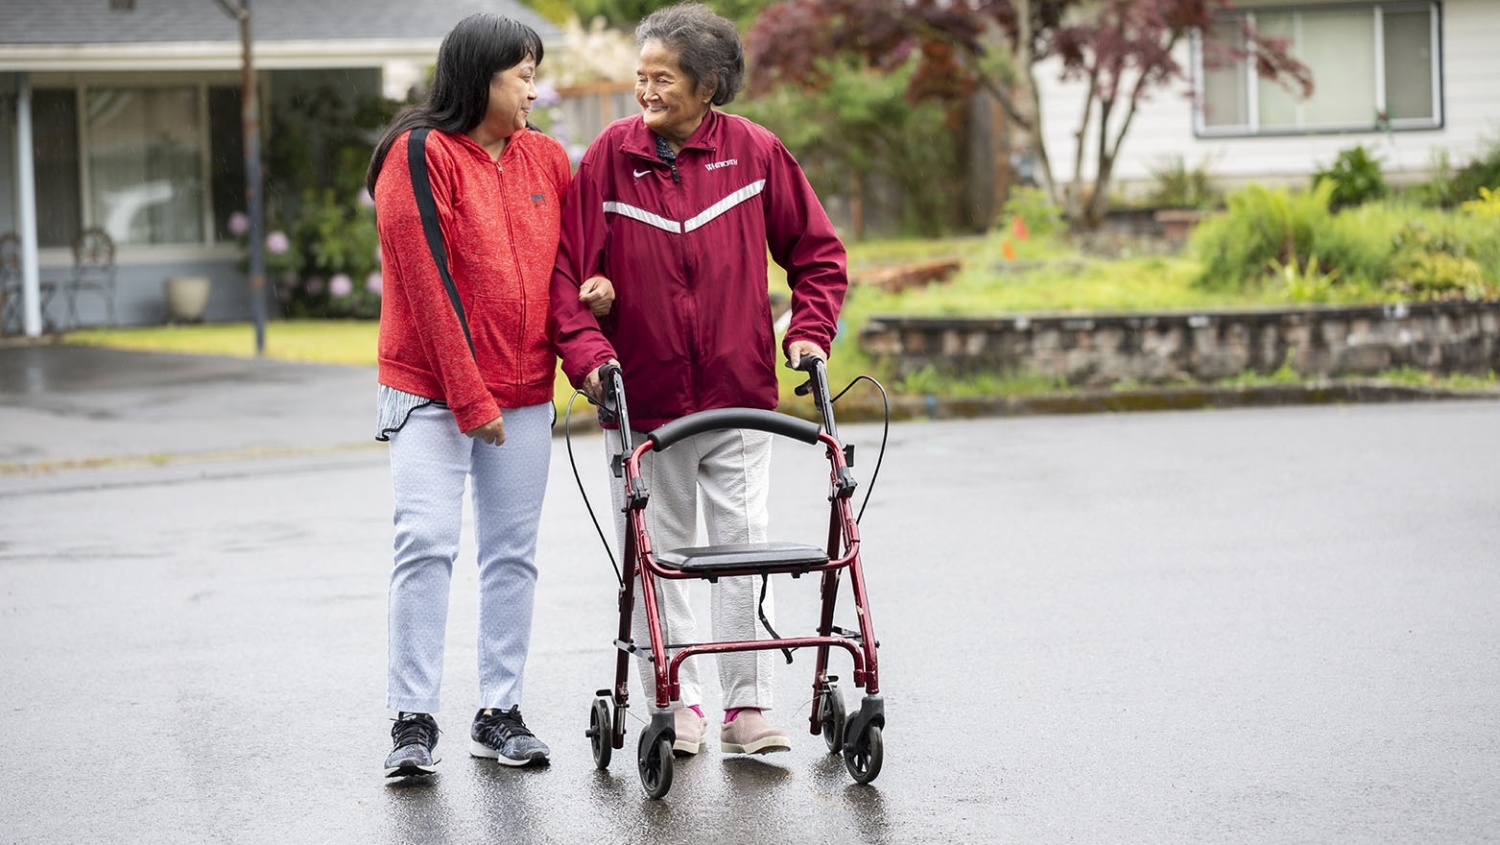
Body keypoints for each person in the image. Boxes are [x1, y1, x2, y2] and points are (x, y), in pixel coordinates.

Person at [550, 3, 848, 758]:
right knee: (666, 553)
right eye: (640, 76)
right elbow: (566, 277)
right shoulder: (611, 159)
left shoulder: (754, 153)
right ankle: (675, 701)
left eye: (662, 78)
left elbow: (817, 255)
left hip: (739, 391)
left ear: (709, 84)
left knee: (744, 548)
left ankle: (748, 708)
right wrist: (589, 354)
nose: (644, 92)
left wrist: (809, 328)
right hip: (645, 399)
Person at [366, 12, 612, 778]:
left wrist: (595, 293)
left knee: (512, 556)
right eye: (524, 76)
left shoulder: (547, 159)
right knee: (426, 544)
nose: (535, 91)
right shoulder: (417, 154)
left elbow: (569, 267)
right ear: (481, 78)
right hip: (432, 393)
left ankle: (498, 711)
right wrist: (473, 402)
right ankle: (413, 720)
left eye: (536, 74)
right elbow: (428, 286)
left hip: (525, 390)